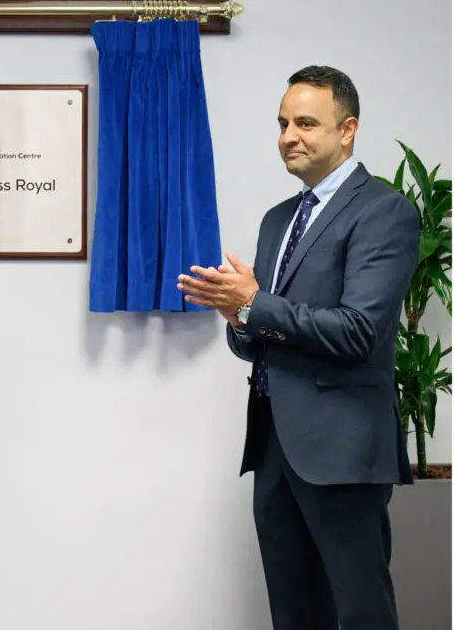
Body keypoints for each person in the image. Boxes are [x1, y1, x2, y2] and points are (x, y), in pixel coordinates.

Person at [177, 65, 418, 630]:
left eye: (306, 122)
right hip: (274, 448)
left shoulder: (383, 211)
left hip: (342, 451)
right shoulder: (279, 218)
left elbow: (360, 330)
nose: (289, 135)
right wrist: (236, 315)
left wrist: (254, 305)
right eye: (283, 123)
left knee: (360, 612)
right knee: (293, 612)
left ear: (348, 129)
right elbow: (263, 335)